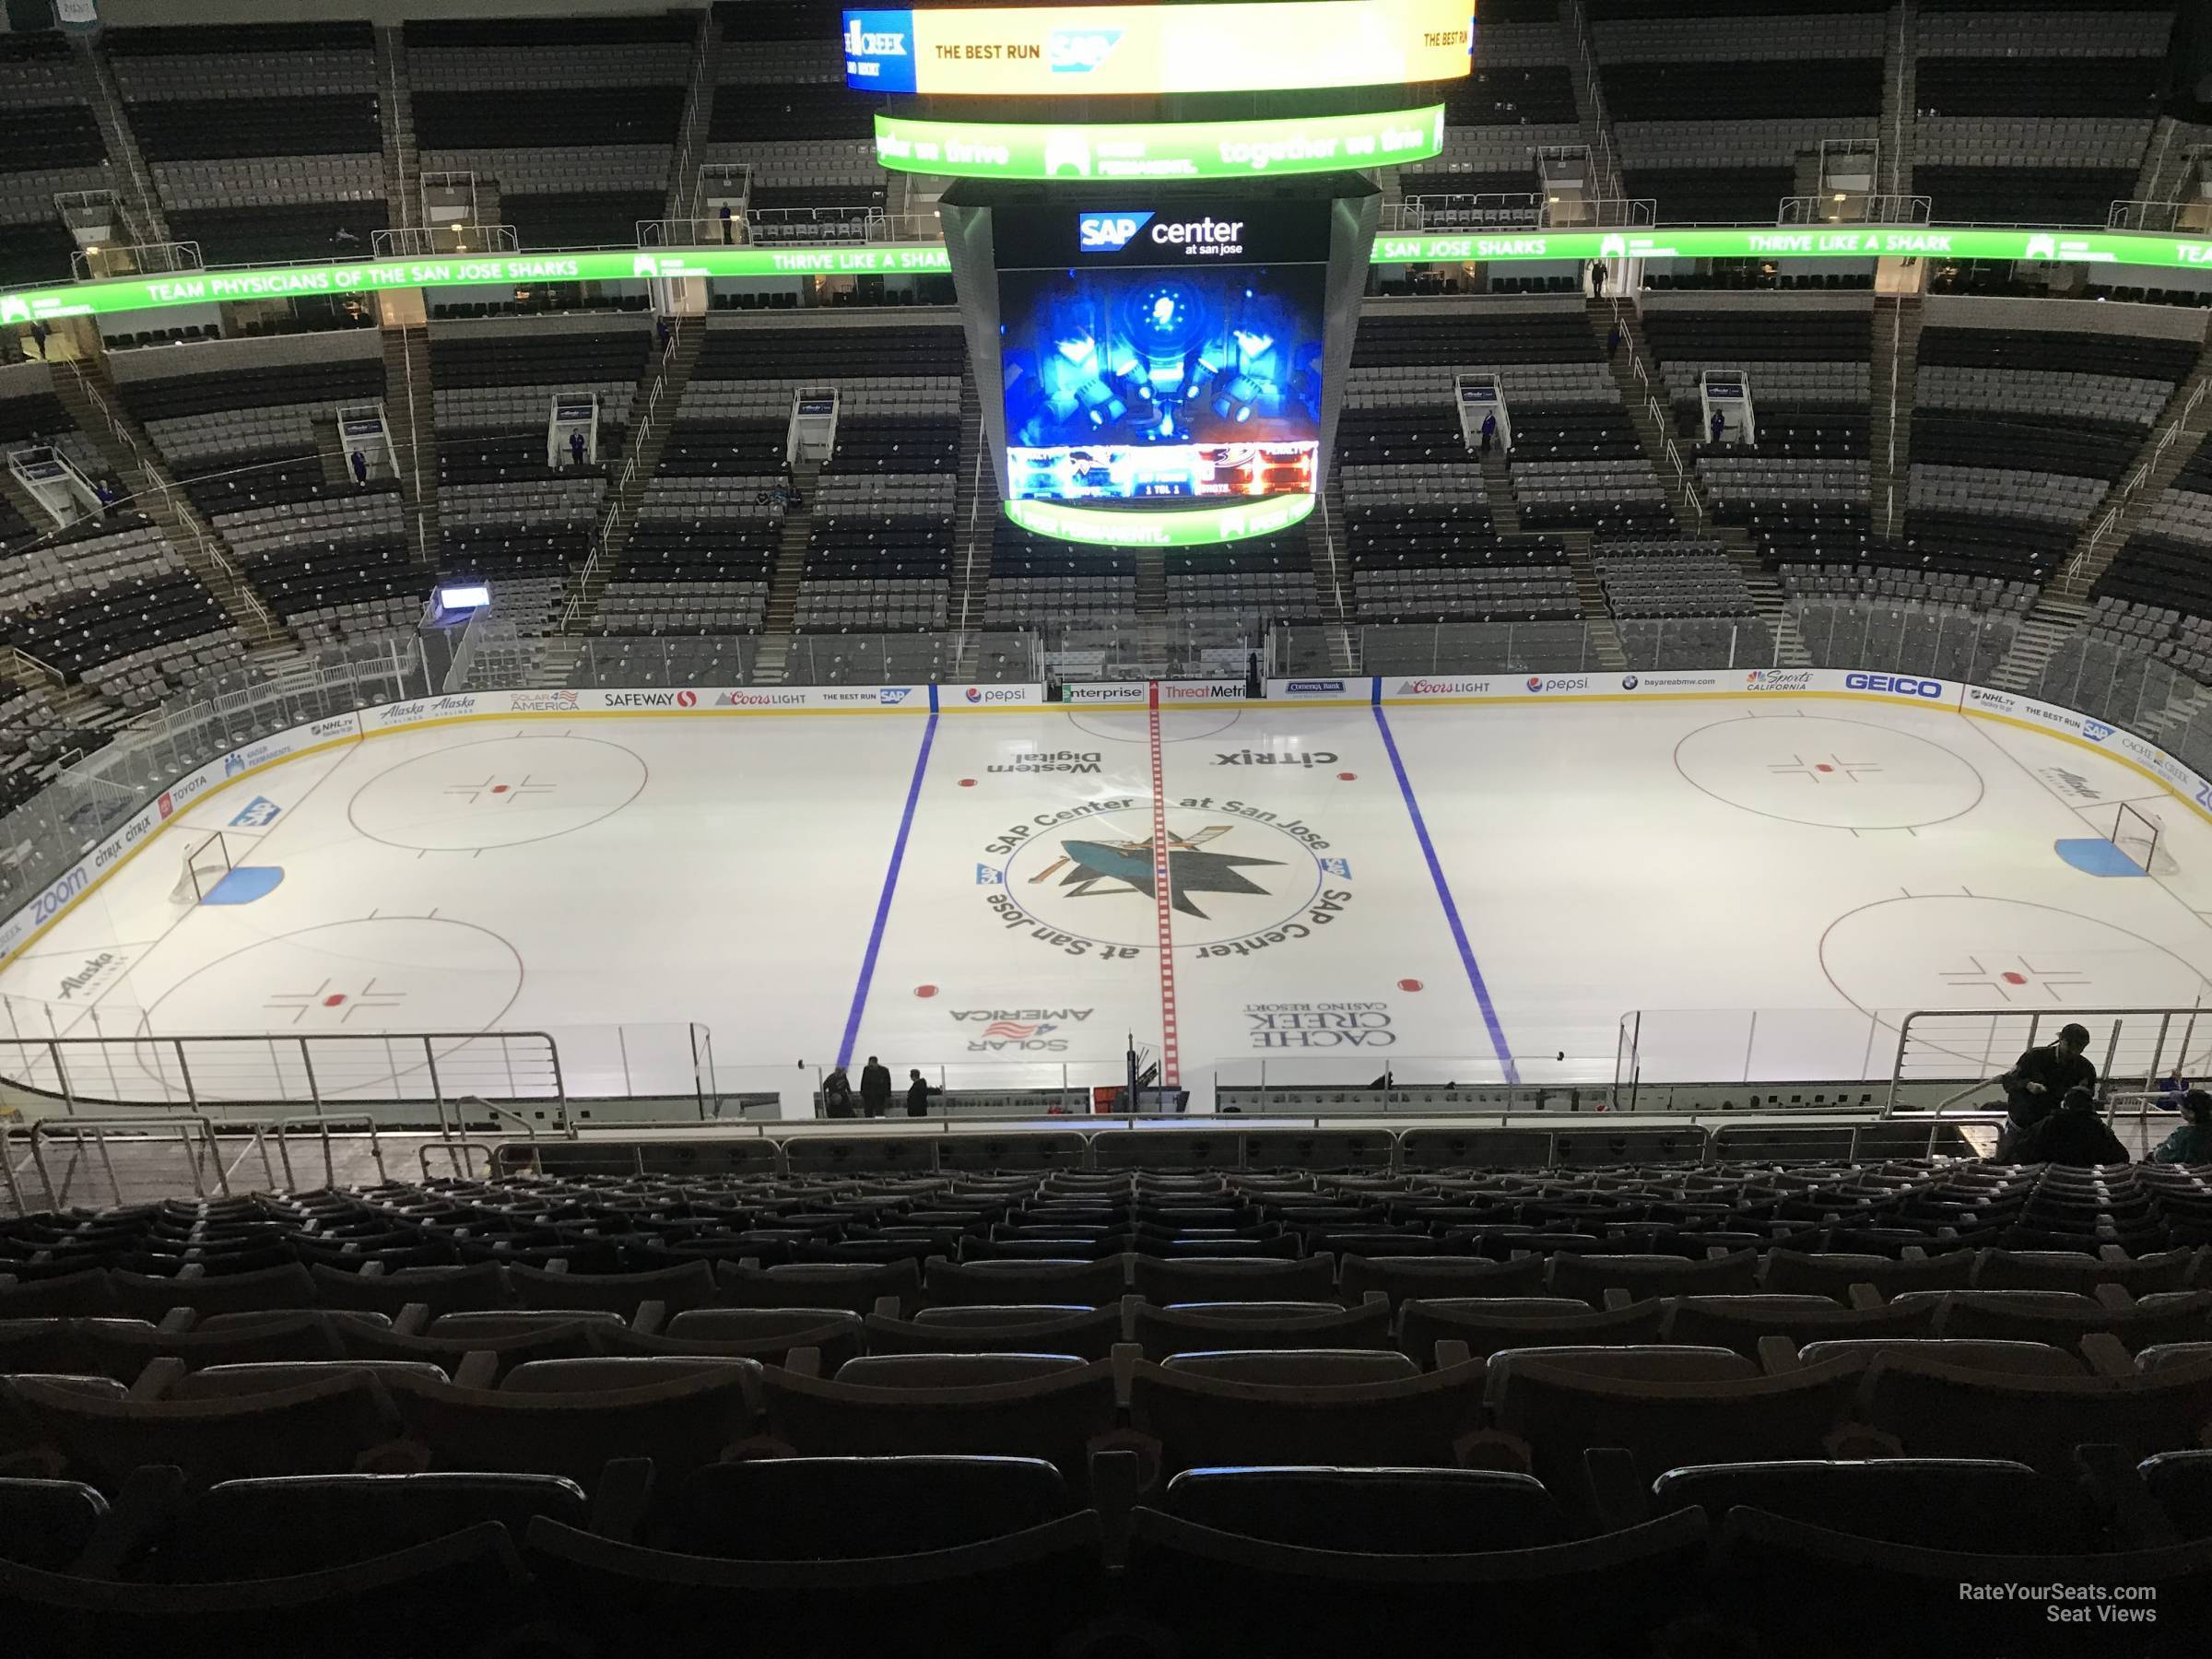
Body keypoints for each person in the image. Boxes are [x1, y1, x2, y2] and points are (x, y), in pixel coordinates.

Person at [1998, 1022, 2096, 1139]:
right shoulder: (2033, 1057)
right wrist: (2027, 1085)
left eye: (2080, 1048)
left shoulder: (2085, 1069)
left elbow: (2085, 1102)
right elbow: (2009, 1081)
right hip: (2023, 1124)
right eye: (2070, 1046)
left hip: (2055, 1131)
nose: (2074, 1052)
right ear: (2061, 1040)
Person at [2006, 1086, 2129, 1167]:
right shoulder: (2099, 1128)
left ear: (2065, 1104)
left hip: (2050, 1183)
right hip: (2085, 1185)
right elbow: (2121, 1157)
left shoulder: (2048, 1124)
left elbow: (2022, 1153)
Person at [2150, 1088, 2212, 1165]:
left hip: (2186, 1174)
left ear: (2191, 1113)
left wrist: (2158, 1150)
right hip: (2205, 1173)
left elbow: (2161, 1157)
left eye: (2181, 1104)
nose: (2178, 1106)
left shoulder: (2184, 1135)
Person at [858, 1054, 891, 1118]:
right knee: (868, 1112)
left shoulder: (884, 1071)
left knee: (879, 1112)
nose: (870, 1066)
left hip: (879, 1096)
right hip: (868, 1096)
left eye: (871, 1065)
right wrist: (862, 1092)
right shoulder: (866, 1069)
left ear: (875, 1063)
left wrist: (888, 1095)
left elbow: (888, 1083)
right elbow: (863, 1081)